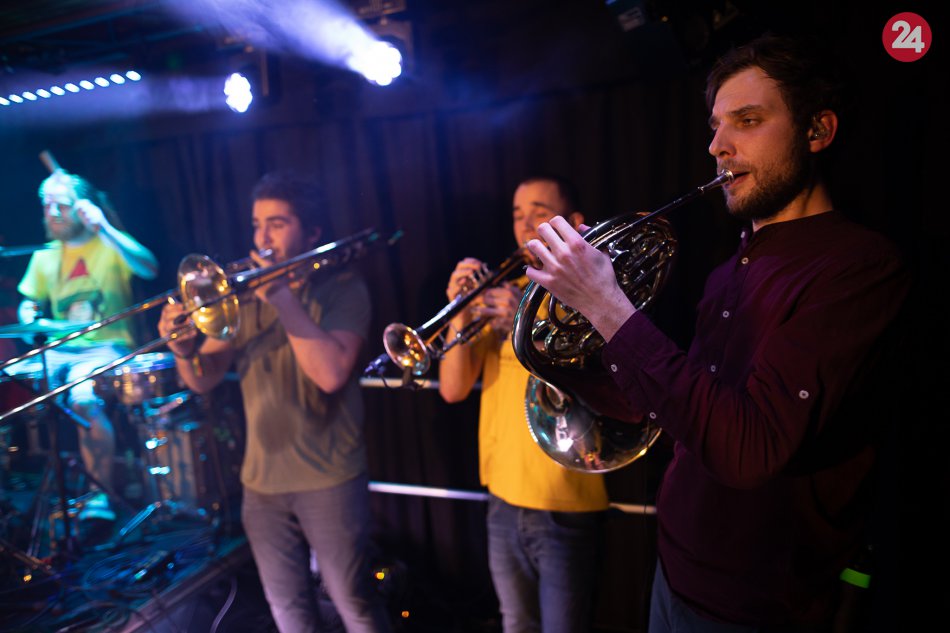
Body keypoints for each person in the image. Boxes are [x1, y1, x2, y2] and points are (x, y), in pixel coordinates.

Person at [521, 35, 910, 632]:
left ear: (818, 131)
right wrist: (554, 350)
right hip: (674, 571)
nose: (717, 146)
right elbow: (662, 409)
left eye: (747, 121)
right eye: (715, 126)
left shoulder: (857, 266)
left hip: (757, 605)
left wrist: (606, 305)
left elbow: (748, 449)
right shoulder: (731, 267)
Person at [158, 171, 391, 633]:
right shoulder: (244, 299)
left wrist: (282, 297)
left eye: (277, 224)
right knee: (288, 612)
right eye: (257, 225)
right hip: (261, 484)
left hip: (329, 478)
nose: (262, 239)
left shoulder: (343, 288)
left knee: (355, 604)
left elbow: (330, 374)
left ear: (312, 233)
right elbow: (203, 378)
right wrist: (183, 349)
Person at [438, 175, 609, 633]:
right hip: (501, 498)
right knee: (515, 625)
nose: (525, 225)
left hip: (563, 501)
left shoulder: (594, 290)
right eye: (518, 215)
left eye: (539, 213)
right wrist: (460, 310)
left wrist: (522, 319)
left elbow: (596, 384)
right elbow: (453, 390)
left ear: (574, 221)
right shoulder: (505, 287)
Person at [15, 169, 158, 523]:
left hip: (105, 347)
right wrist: (28, 313)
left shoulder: (109, 245)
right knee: (10, 385)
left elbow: (149, 268)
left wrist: (104, 227)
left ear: (82, 207)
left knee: (83, 397)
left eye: (61, 205)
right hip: (58, 348)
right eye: (46, 205)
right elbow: (28, 304)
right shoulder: (45, 256)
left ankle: (100, 497)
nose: (52, 212)